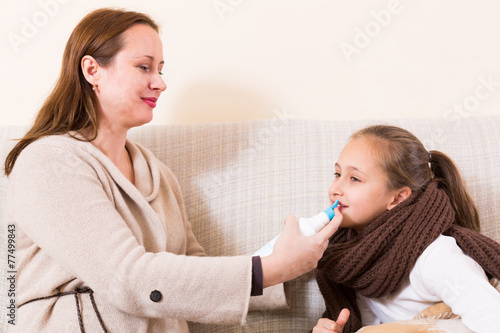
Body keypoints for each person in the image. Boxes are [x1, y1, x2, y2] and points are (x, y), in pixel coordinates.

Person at [3, 8, 342, 332]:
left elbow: (192, 273)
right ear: (92, 70)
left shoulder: (158, 174)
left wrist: (287, 263)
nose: (160, 83)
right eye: (144, 67)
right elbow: (127, 277)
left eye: (160, 69)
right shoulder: (48, 161)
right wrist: (267, 270)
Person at [312, 125, 500, 333]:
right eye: (337, 173)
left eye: (354, 178)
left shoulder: (436, 256)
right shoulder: (354, 258)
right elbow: (369, 324)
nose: (335, 189)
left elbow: (492, 319)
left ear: (398, 198)